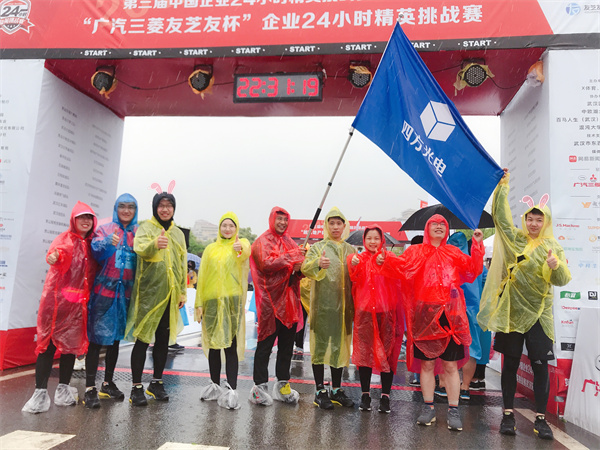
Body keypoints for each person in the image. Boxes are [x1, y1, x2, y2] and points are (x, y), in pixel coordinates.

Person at [478, 169, 571, 440]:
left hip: (540, 316)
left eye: (538, 219)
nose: (533, 223)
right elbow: (501, 220)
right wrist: (502, 186)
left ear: (546, 222)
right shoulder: (516, 240)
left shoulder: (553, 246)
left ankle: (541, 419)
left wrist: (556, 265)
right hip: (512, 313)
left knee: (540, 365)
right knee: (510, 363)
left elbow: (563, 279)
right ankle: (508, 414)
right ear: (525, 220)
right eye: (530, 219)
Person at [378, 214, 484, 431]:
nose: (438, 226)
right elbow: (400, 266)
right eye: (434, 223)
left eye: (442, 224)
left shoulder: (453, 252)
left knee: (450, 365)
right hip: (424, 316)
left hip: (450, 316)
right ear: (427, 228)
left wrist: (477, 246)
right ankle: (428, 407)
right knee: (427, 364)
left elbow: (473, 269)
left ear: (446, 230)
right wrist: (384, 258)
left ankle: (453, 409)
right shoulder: (415, 252)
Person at [22, 202, 98, 413]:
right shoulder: (64, 239)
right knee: (47, 347)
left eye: (89, 217)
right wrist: (54, 257)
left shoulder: (93, 244)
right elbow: (57, 254)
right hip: (57, 304)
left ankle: (63, 390)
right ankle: (39, 393)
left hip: (78, 306)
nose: (85, 221)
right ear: (73, 219)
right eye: (81, 217)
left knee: (70, 349)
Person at [125, 187, 186, 406]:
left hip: (170, 295)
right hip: (148, 294)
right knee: (142, 339)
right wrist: (154, 244)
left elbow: (181, 263)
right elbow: (139, 248)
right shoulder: (146, 228)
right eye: (161, 205)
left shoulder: (178, 233)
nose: (165, 209)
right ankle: (136, 387)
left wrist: (182, 291)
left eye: (169, 206)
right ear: (155, 207)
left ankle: (156, 383)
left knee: (162, 340)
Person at [84, 194, 138, 408]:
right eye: (122, 206)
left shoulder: (137, 233)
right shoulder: (105, 229)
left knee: (115, 339)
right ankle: (89, 387)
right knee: (96, 340)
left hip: (125, 295)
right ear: (116, 208)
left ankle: (107, 383)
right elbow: (95, 251)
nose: (126, 210)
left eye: (131, 207)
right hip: (104, 293)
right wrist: (108, 243)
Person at [249, 207, 305, 406]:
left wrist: (300, 268)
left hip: (289, 303)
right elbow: (266, 264)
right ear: (272, 219)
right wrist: (291, 256)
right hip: (270, 304)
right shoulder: (261, 241)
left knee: (287, 347)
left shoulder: (291, 242)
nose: (282, 223)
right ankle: (259, 387)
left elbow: (295, 274)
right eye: (279, 219)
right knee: (265, 345)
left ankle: (283, 384)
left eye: (285, 219)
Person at [195, 212, 250, 410]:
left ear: (236, 229)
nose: (227, 229)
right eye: (224, 225)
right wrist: (199, 303)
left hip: (231, 301)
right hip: (211, 301)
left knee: (230, 345)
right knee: (213, 345)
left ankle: (232, 389)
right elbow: (202, 276)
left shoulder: (240, 244)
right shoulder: (210, 249)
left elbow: (245, 252)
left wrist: (239, 249)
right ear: (219, 228)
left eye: (231, 226)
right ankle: (215, 384)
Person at [301, 207, 355, 410]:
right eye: (331, 223)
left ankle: (336, 389)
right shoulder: (318, 247)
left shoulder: (351, 250)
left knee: (338, 349)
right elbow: (305, 268)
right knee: (320, 348)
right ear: (326, 225)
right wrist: (318, 263)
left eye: (338, 223)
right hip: (322, 308)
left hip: (343, 310)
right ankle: (319, 390)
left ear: (344, 226)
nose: (335, 227)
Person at [347, 226, 404, 413]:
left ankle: (385, 396)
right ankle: (365, 395)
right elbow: (353, 275)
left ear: (382, 241)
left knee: (388, 354)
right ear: (364, 241)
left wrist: (386, 262)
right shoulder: (358, 258)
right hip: (364, 314)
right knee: (364, 355)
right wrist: (353, 263)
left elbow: (401, 270)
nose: (372, 242)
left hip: (386, 314)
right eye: (369, 238)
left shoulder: (389, 256)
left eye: (376, 238)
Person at [447, 231, 490, 402]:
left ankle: (444, 385)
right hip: (473, 311)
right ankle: (465, 387)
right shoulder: (475, 262)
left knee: (446, 349)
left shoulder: (445, 262)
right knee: (471, 349)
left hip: (449, 309)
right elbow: (487, 285)